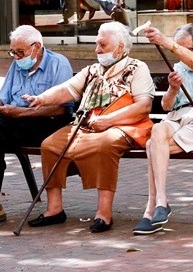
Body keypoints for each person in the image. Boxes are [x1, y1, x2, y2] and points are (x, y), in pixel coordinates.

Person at [24, 22, 154, 233]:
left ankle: (104, 213)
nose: (97, 50)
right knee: (49, 145)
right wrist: (41, 98)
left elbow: (144, 106)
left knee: (105, 144)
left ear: (120, 47)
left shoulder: (138, 68)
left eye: (102, 45)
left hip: (123, 125)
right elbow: (67, 89)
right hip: (88, 125)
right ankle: (54, 209)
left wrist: (109, 120)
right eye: (96, 45)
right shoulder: (92, 70)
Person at [132, 24, 193, 235]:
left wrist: (165, 42)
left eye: (187, 48)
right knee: (157, 131)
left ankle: (152, 208)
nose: (183, 53)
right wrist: (173, 88)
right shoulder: (178, 68)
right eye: (179, 48)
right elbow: (167, 106)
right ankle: (161, 202)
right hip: (178, 118)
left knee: (152, 145)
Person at [0, 25, 73, 224]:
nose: (16, 57)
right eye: (13, 52)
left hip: (47, 124)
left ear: (36, 47)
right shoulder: (16, 65)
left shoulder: (58, 64)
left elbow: (63, 108)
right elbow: (3, 98)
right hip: (17, 121)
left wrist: (24, 112)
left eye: (20, 52)